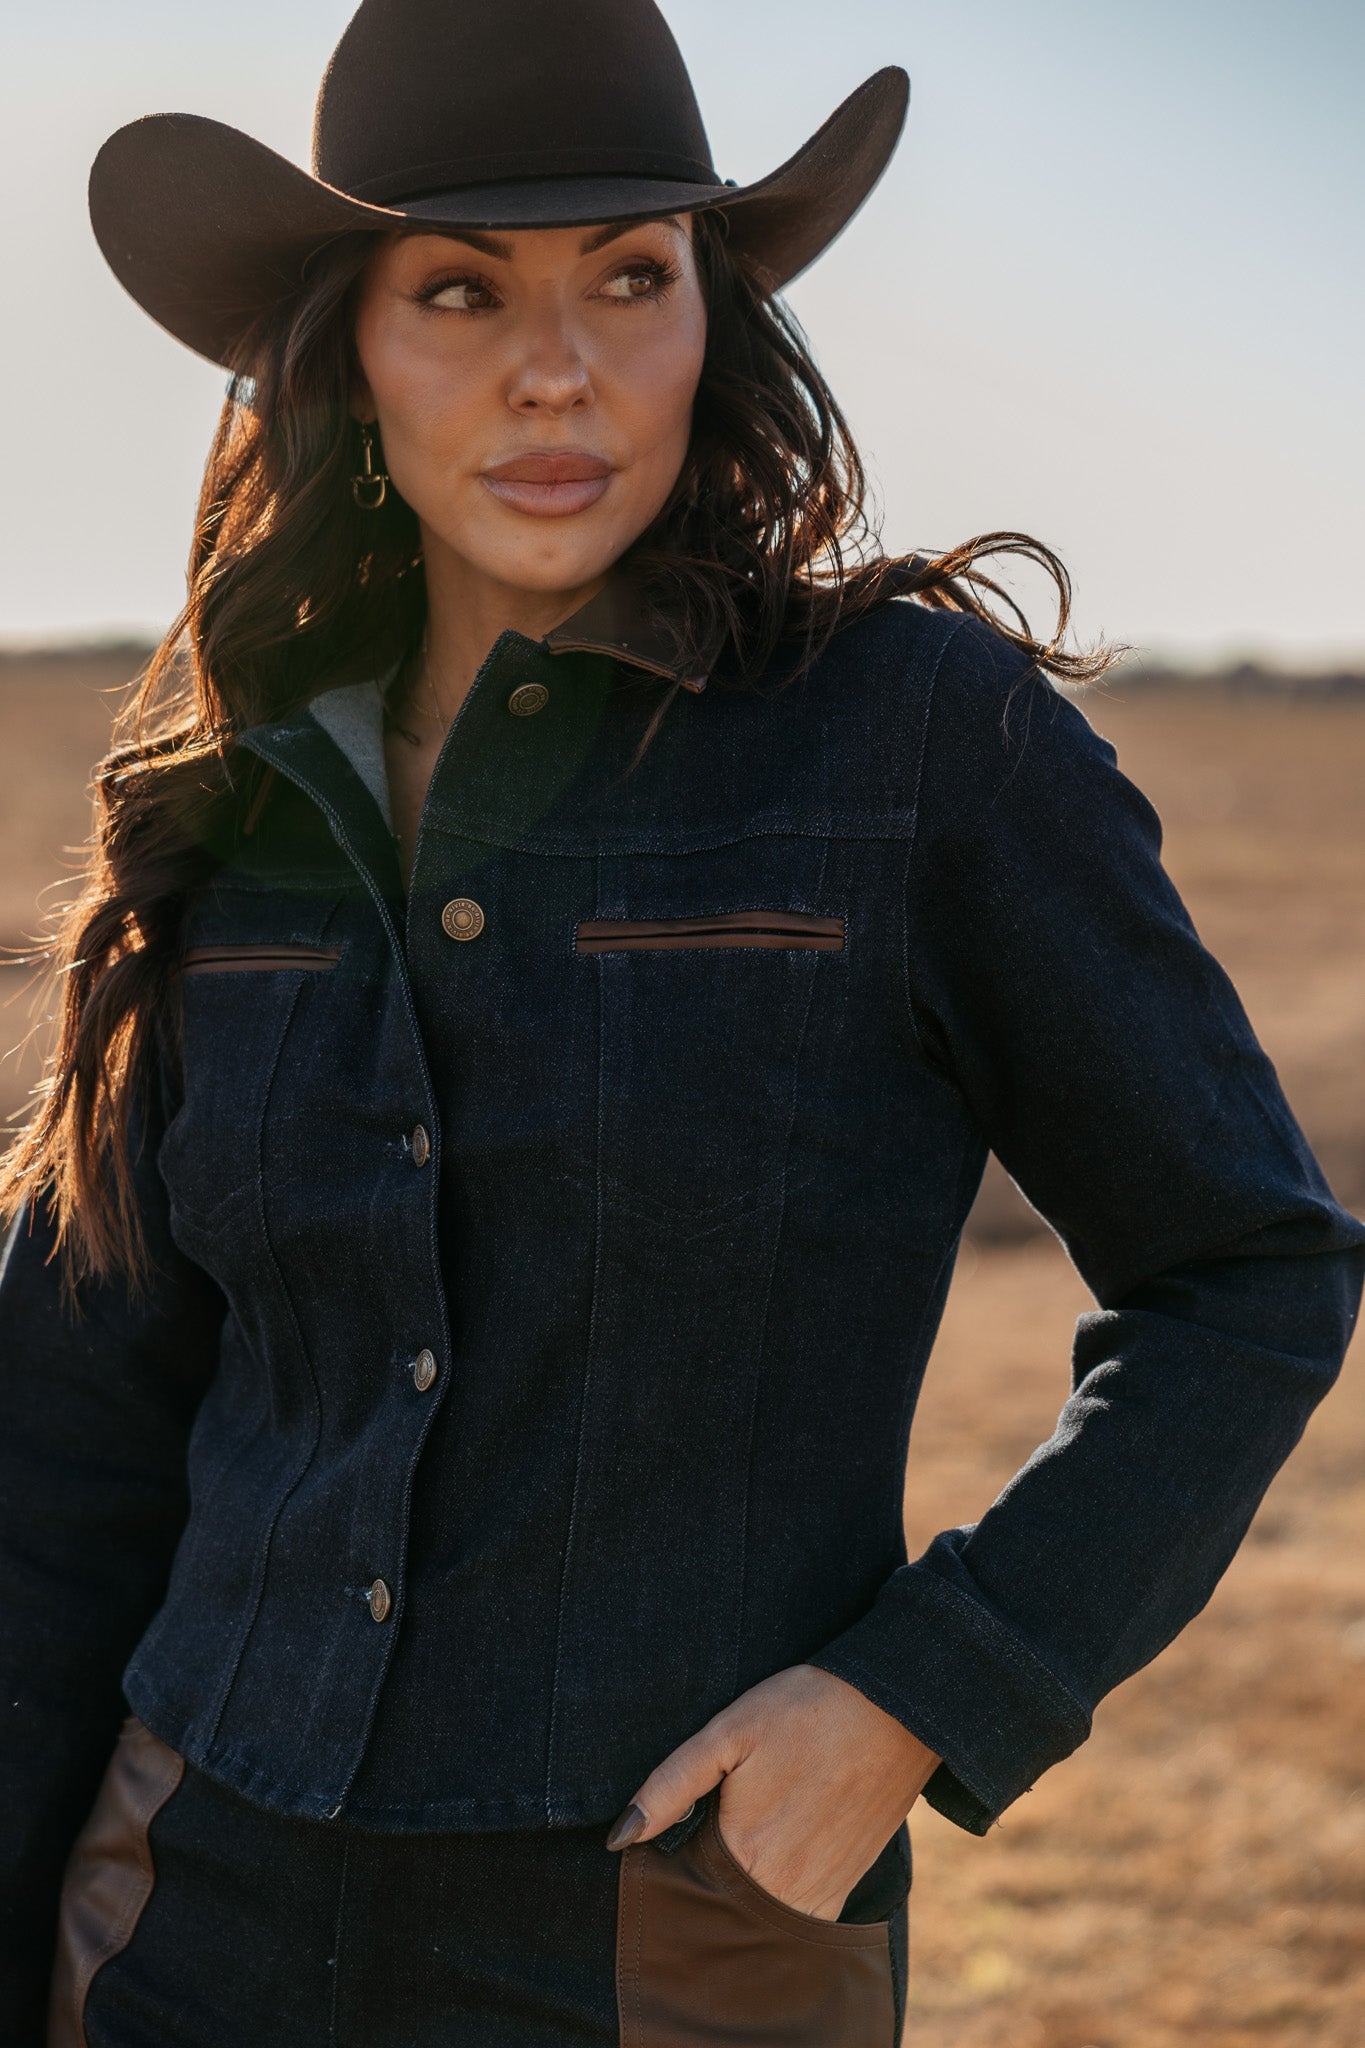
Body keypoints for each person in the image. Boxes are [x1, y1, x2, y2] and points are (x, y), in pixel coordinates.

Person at [2, 1, 1360, 2042]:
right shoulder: (235, 802)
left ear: (714, 319)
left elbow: (1244, 1272)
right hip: (183, 1904)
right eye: (460, 291)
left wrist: (921, 1692)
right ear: (344, 349)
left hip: (676, 1934)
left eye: (630, 277)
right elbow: (70, 1432)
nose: (556, 367)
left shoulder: (914, 746)